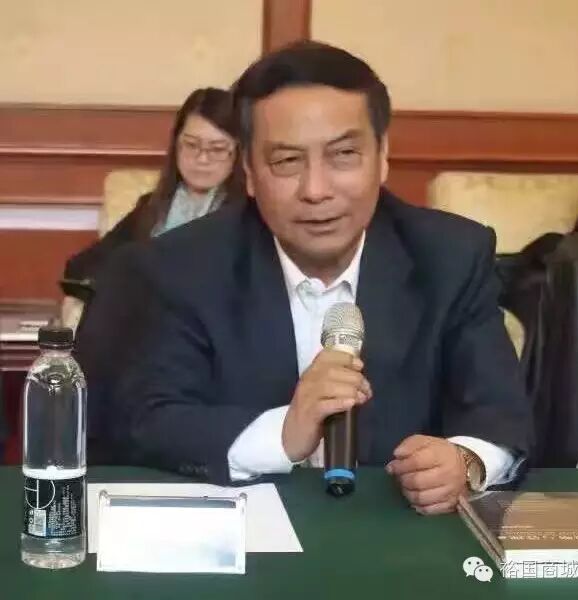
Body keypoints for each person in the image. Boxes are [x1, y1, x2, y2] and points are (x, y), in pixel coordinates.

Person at [85, 41, 532, 515]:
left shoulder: (450, 256)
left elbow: (500, 413)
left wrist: (466, 460)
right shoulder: (180, 266)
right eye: (287, 161)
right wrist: (282, 433)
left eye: (343, 155)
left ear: (382, 156)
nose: (316, 190)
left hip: (396, 532)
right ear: (249, 172)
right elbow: (148, 422)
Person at [63, 87, 241, 290]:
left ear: (238, 152)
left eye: (217, 149)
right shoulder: (151, 207)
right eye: (191, 145)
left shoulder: (247, 215)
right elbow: (81, 266)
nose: (202, 159)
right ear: (176, 145)